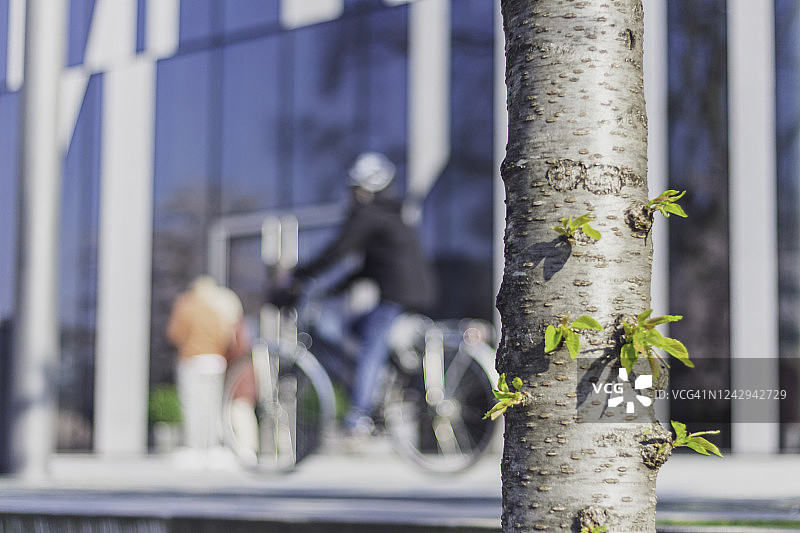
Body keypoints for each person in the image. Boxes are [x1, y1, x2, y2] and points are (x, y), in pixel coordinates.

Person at [292, 152, 438, 436]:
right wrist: (333, 290)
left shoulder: (369, 216)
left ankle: (359, 415)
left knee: (371, 347)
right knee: (355, 326)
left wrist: (300, 274)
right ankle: (387, 375)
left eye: (355, 188)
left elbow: (338, 250)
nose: (352, 195)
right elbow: (367, 270)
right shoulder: (390, 217)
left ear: (366, 188)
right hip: (412, 294)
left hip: (396, 296)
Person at [166, 275, 244, 462]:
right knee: (213, 405)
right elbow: (226, 335)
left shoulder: (187, 306)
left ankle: (195, 447)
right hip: (215, 360)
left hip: (192, 359)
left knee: (193, 404)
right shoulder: (218, 308)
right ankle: (212, 446)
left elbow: (175, 333)